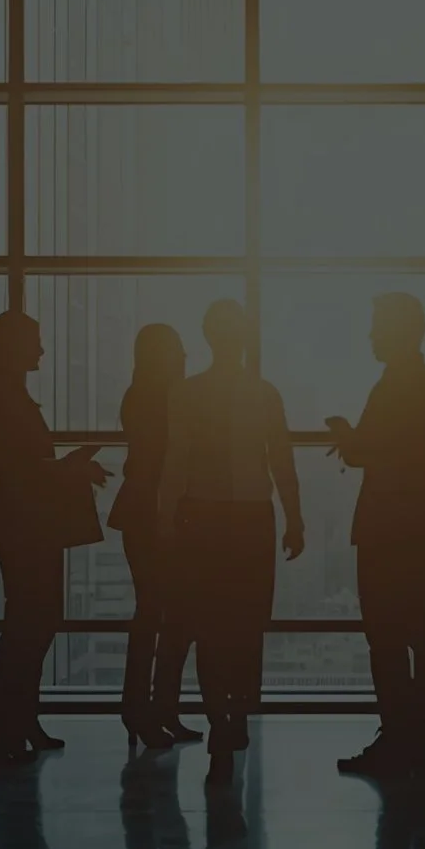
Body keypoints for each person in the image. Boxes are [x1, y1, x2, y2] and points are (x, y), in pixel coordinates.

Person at [158, 299, 305, 779]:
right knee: (245, 623)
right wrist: (294, 518)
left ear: (208, 337)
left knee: (208, 624)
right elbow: (281, 461)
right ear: (243, 339)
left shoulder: (186, 394)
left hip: (200, 518)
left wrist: (164, 520)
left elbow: (174, 463)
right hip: (251, 520)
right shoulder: (264, 394)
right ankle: (236, 713)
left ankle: (219, 716)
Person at [0, 310, 108, 767]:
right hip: (25, 524)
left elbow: (24, 467)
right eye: (35, 341)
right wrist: (71, 467)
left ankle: (18, 720)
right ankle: (2, 723)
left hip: (27, 523)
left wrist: (67, 466)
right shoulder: (1, 398)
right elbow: (21, 471)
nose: (42, 350)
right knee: (28, 626)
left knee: (34, 623)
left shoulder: (3, 396)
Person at [329, 292, 425, 777]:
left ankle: (398, 735)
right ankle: (422, 736)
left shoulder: (392, 389)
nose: (371, 336)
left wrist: (346, 437)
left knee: (385, 637)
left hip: (386, 529)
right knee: (422, 632)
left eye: (378, 326)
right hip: (423, 530)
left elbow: (370, 452)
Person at [111, 324, 198, 749]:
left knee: (164, 614)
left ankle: (152, 710)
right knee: (161, 615)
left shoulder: (143, 397)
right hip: (156, 514)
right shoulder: (161, 401)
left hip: (148, 512)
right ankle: (150, 710)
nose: (185, 357)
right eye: (179, 350)